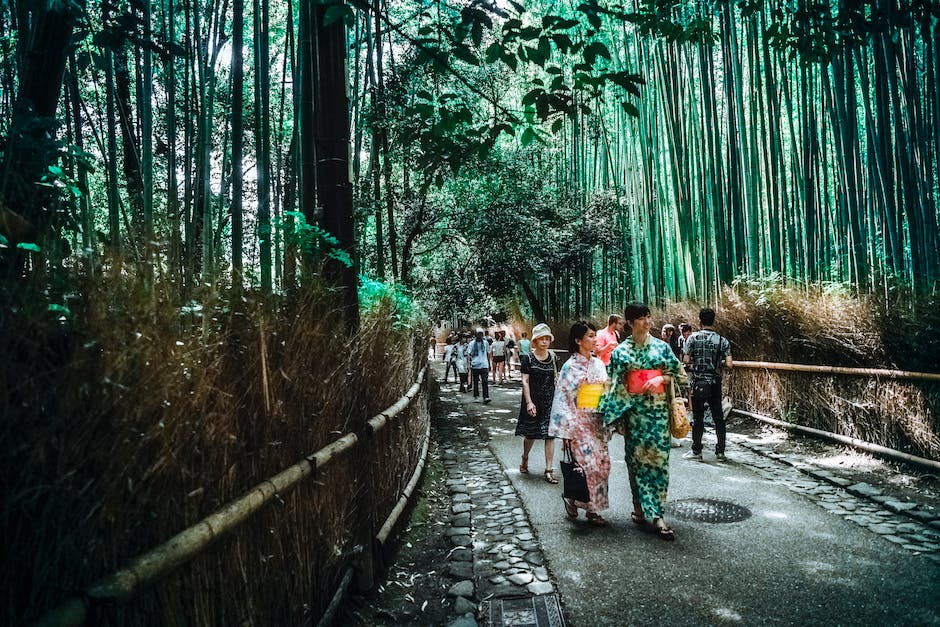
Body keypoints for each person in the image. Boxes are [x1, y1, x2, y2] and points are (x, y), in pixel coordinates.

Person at [599, 302, 685, 541]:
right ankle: (638, 505)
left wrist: (660, 379)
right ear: (630, 322)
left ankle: (657, 515)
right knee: (636, 463)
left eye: (649, 317)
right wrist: (616, 418)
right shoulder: (620, 353)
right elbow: (613, 385)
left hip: (658, 415)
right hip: (634, 416)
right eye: (641, 318)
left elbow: (680, 375)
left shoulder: (661, 348)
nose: (647, 322)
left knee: (659, 463)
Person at [549, 321, 610, 525]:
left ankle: (592, 507)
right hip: (578, 423)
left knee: (602, 466)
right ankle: (578, 501)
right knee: (585, 467)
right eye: (590, 336)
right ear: (578, 341)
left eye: (594, 335)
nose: (594, 339)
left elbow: (606, 392)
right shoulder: (570, 366)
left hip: (597, 422)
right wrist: (566, 432)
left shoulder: (599, 363)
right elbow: (563, 399)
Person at [682, 308, 733, 461]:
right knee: (718, 417)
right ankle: (720, 452)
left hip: (698, 382)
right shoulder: (722, 340)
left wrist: (696, 362)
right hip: (715, 382)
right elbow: (729, 364)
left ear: (700, 320)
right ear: (713, 320)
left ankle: (696, 451)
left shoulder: (692, 338)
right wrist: (717, 362)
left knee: (698, 417)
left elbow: (685, 360)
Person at [516, 323, 559, 483]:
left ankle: (549, 469)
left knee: (550, 435)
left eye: (547, 338)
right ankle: (525, 457)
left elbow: (557, 378)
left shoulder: (553, 357)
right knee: (530, 434)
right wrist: (529, 403)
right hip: (533, 400)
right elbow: (525, 381)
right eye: (542, 338)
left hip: (550, 400)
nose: (545, 341)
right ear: (535, 340)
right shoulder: (528, 358)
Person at [467, 328, 492, 403]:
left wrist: (489, 364)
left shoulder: (485, 343)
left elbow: (488, 353)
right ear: (476, 334)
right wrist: (468, 365)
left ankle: (486, 397)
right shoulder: (472, 343)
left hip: (484, 365)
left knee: (485, 381)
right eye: (478, 334)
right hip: (475, 365)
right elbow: (468, 354)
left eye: (481, 334)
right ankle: (476, 396)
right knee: (475, 382)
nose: (480, 335)